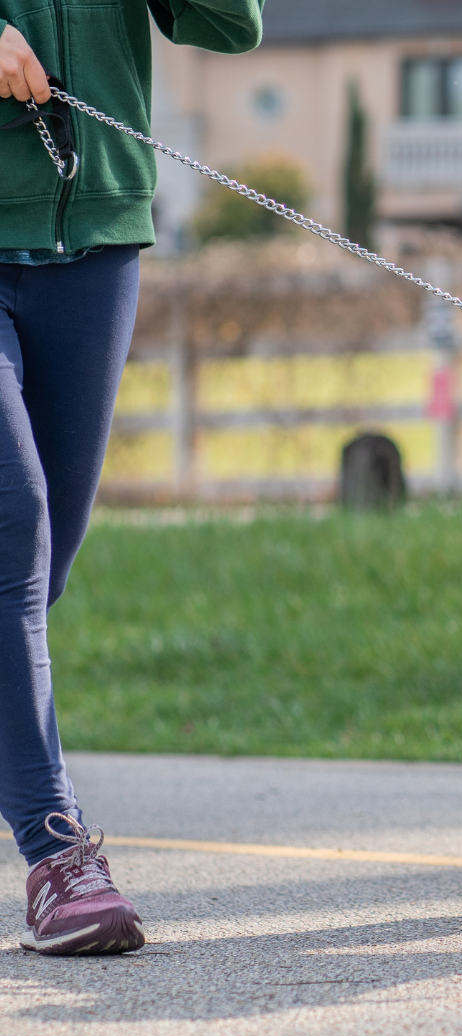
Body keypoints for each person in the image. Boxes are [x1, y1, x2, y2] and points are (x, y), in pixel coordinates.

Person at [0, 0, 263, 955]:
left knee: (44, 566)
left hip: (95, 238)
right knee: (11, 531)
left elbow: (231, 26)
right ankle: (56, 855)